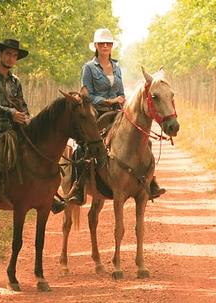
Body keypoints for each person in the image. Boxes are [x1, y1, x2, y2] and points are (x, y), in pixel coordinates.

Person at [67, 28, 165, 205]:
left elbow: (120, 91)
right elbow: (87, 95)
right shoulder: (88, 68)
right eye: (102, 43)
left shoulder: (117, 67)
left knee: (144, 140)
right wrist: (108, 100)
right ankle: (79, 187)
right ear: (96, 46)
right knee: (82, 147)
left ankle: (150, 182)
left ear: (112, 46)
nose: (105, 46)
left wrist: (121, 101)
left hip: (118, 112)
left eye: (108, 43)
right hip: (96, 113)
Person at [0, 38, 65, 221]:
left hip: (13, 126)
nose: (11, 58)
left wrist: (27, 118)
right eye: (8, 54)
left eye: (14, 55)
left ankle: (50, 195)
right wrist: (10, 113)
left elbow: (22, 105)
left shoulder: (15, 81)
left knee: (39, 152)